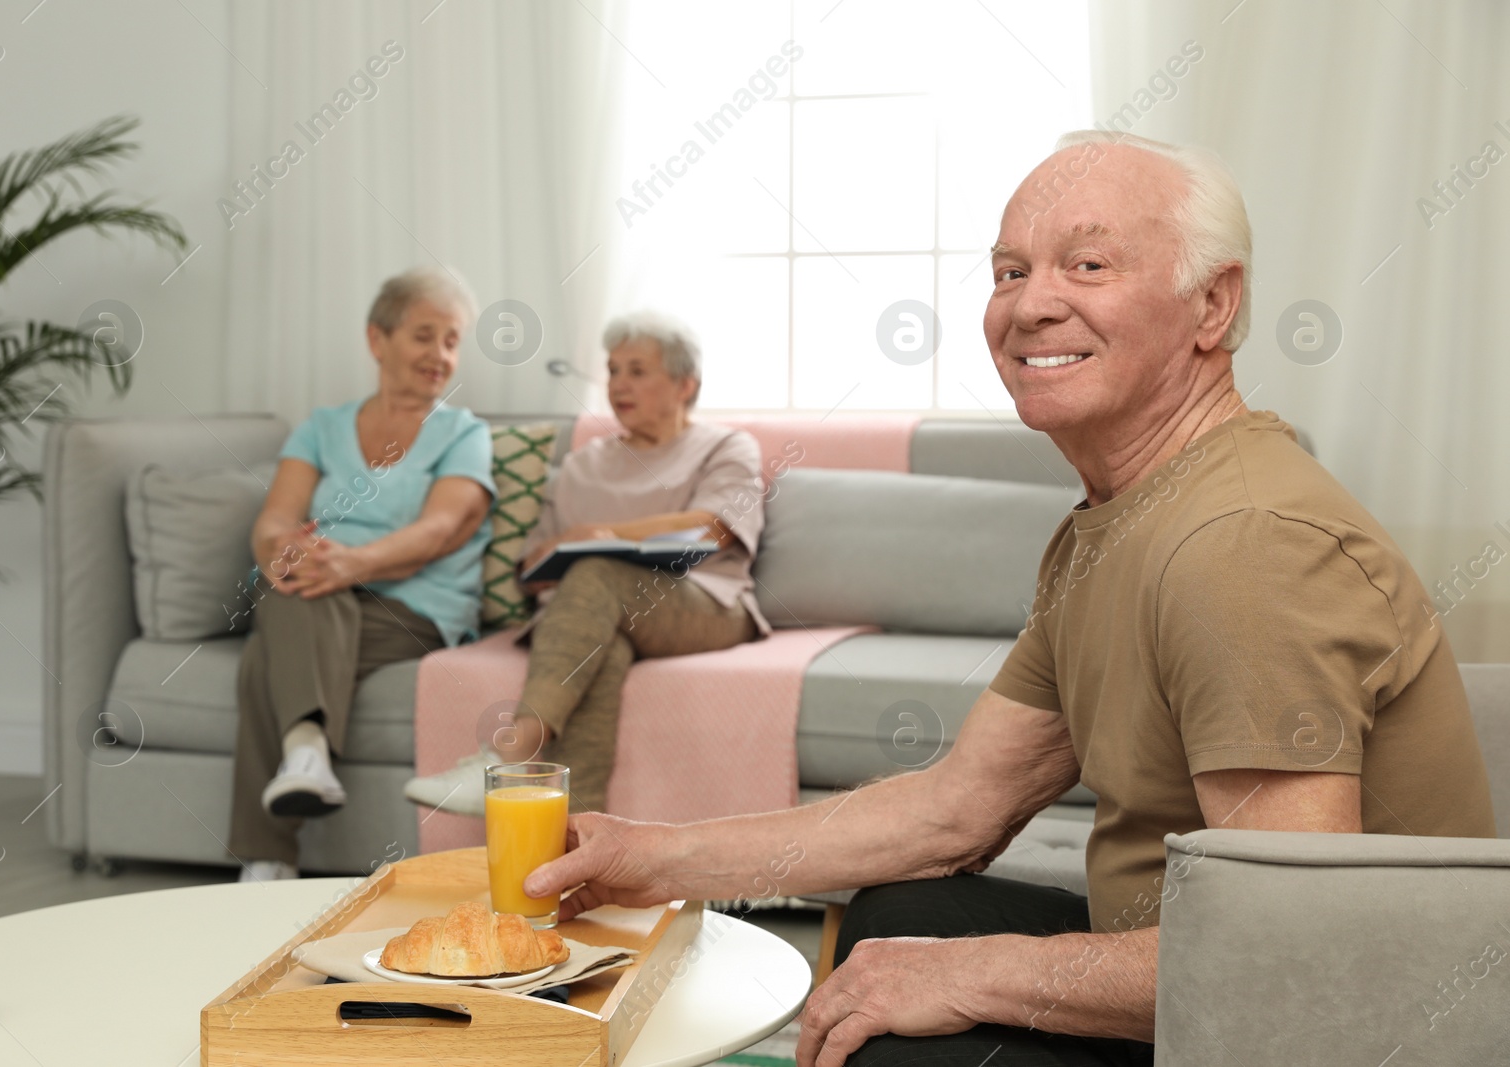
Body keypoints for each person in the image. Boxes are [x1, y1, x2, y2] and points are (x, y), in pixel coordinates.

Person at [516, 132, 1497, 1066]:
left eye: (1088, 265)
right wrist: (655, 855)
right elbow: (956, 809)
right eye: (1008, 270)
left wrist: (978, 971)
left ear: (1211, 305)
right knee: (898, 918)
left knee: (916, 997)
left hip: (1332, 1024)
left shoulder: (1242, 545)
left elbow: (1291, 949)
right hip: (1190, 959)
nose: (1029, 305)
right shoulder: (1109, 522)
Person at [404, 311, 769, 815]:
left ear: (686, 384)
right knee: (604, 647)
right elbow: (531, 563)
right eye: (614, 370)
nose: (619, 384)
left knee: (595, 573)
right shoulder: (583, 462)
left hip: (704, 607)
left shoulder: (726, 445)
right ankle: (577, 855)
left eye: (637, 371)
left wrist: (604, 536)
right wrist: (554, 557)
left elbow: (715, 525)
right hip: (598, 617)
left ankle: (508, 759)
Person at [227, 267, 496, 883]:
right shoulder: (321, 427)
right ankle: (303, 761)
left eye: (452, 341)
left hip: (413, 609)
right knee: (289, 585)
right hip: (315, 591)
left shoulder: (464, 434)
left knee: (267, 653)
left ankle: (270, 852)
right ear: (379, 340)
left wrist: (351, 563)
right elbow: (274, 521)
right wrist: (282, 553)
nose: (440, 355)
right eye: (424, 336)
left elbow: (438, 532)